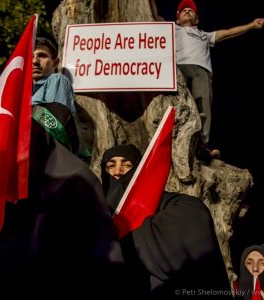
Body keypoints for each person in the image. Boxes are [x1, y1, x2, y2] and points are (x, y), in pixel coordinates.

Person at [0, 38, 121, 299]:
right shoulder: (13, 91)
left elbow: (55, 124)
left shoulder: (56, 82)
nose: (35, 61)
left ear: (56, 62)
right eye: (32, 56)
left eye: (43, 56)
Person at [101, 144, 233, 299]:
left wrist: (121, 241)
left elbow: (192, 224)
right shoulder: (96, 215)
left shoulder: (176, 204)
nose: (117, 172)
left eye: (127, 164)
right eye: (110, 166)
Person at [150, 0, 264, 161]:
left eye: (191, 10)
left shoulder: (204, 35)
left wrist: (252, 25)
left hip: (200, 71)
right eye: (184, 10)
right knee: (174, 105)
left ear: (196, 19)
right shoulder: (172, 29)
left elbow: (228, 32)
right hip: (178, 69)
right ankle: (166, 143)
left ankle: (202, 146)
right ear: (177, 18)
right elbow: (154, 16)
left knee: (203, 107)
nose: (187, 11)